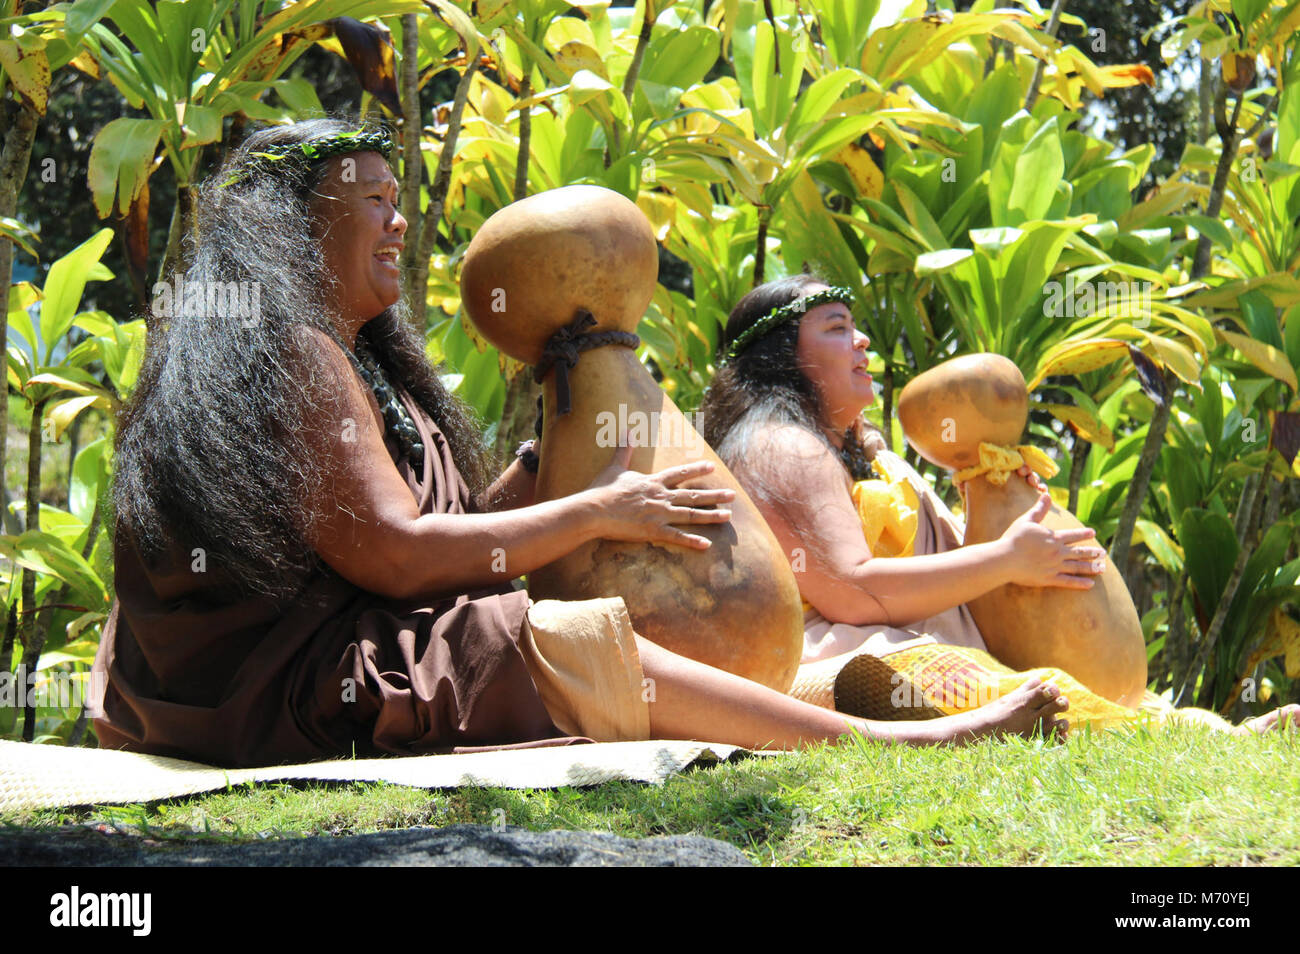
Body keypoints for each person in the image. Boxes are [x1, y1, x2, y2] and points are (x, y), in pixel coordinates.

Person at [91, 120, 1070, 769]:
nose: (401, 221)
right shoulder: (296, 351)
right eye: (375, 199)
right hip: (280, 684)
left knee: (521, 620)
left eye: (401, 200)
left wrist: (523, 494)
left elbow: (403, 545)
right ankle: (874, 743)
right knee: (544, 637)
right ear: (293, 223)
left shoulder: (348, 357)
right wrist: (599, 509)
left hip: (272, 670)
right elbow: (391, 557)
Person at [699, 275, 1300, 735]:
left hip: (894, 637)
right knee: (1023, 693)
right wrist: (1007, 559)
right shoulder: (783, 447)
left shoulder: (856, 450)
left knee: (1082, 697)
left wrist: (995, 485)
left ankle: (1212, 733)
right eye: (835, 327)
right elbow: (854, 592)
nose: (860, 341)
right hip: (842, 655)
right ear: (783, 355)